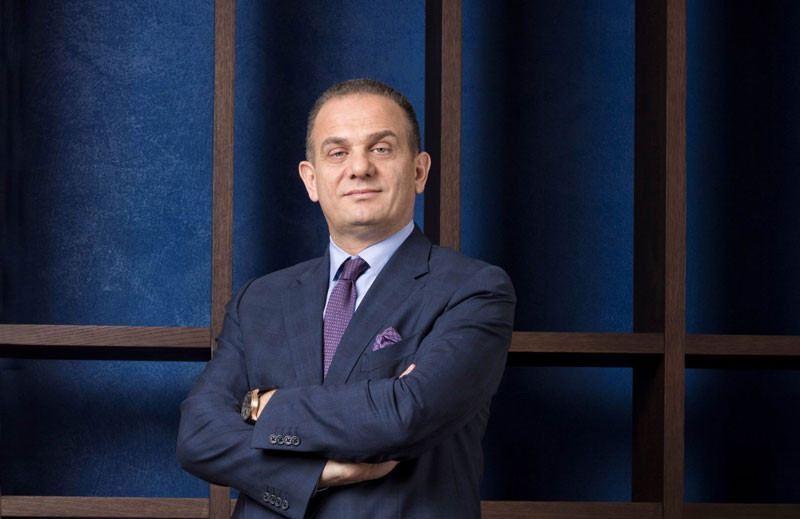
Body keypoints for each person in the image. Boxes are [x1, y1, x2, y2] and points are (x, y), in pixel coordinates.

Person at [177, 79, 515, 518]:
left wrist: (263, 405)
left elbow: (407, 414)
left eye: (381, 149)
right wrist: (316, 474)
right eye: (337, 153)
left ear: (419, 171)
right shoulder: (258, 300)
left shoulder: (474, 289)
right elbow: (198, 435)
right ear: (311, 180)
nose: (359, 168)